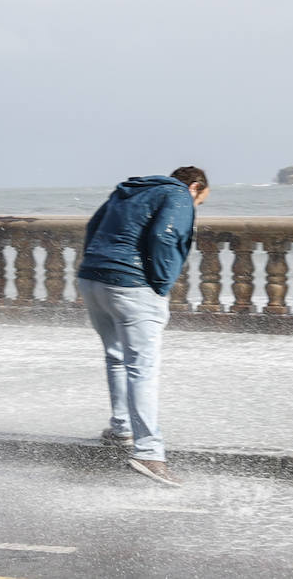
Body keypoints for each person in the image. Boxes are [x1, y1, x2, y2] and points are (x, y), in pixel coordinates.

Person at [77, 166, 209, 487]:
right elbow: (165, 236)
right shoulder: (178, 194)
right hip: (132, 285)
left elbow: (92, 226)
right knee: (142, 368)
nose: (197, 207)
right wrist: (161, 283)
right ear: (194, 187)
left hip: (92, 279)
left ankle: (121, 428)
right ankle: (149, 452)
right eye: (201, 201)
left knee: (116, 357)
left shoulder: (129, 189)